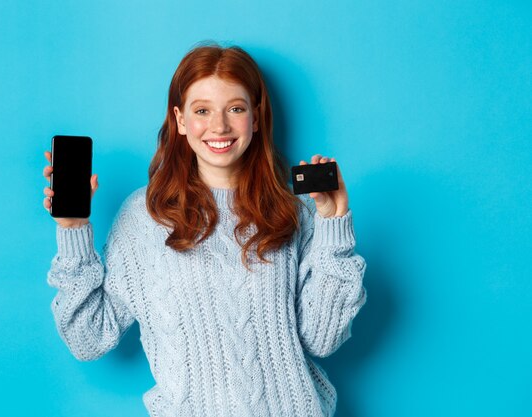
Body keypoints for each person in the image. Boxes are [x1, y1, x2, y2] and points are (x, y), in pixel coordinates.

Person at [42, 43, 367, 417]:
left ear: (256, 118)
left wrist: (333, 222)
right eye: (202, 110)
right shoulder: (144, 217)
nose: (219, 126)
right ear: (180, 120)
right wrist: (73, 230)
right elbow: (88, 338)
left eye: (235, 108)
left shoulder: (293, 211)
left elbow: (322, 338)